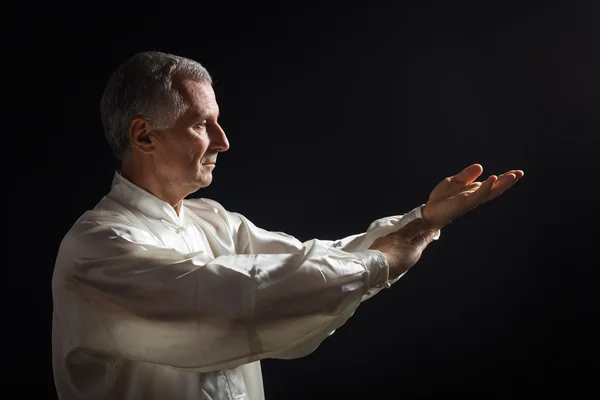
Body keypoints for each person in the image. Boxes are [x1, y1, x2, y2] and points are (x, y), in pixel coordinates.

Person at [51, 51, 524, 400]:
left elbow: (307, 265)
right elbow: (232, 302)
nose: (224, 140)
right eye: (202, 124)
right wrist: (382, 260)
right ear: (144, 135)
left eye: (218, 122)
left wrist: (421, 222)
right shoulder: (97, 247)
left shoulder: (212, 221)